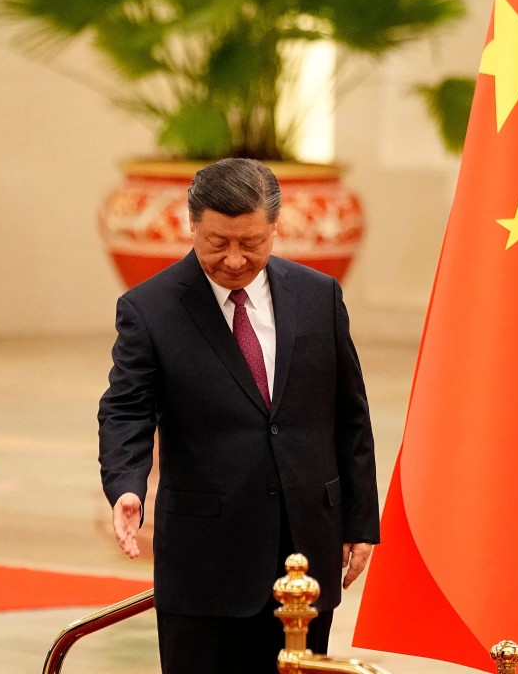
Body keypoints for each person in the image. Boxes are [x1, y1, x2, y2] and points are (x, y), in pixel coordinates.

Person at [98, 158, 380, 673]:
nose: (233, 259)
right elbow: (125, 409)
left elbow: (349, 415)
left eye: (251, 243)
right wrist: (127, 486)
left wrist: (361, 521)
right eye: (217, 242)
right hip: (206, 560)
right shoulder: (151, 309)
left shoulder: (318, 296)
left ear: (274, 228)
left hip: (304, 552)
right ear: (192, 226)